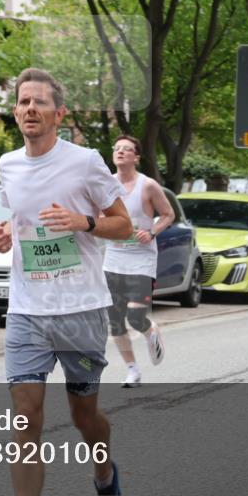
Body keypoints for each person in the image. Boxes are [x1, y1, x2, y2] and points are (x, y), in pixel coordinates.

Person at [0, 68, 133, 496]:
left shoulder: (86, 162)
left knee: (83, 418)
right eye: (23, 102)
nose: (30, 109)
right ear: (15, 112)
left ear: (59, 113)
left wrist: (83, 221)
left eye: (40, 103)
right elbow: (21, 219)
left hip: (81, 310)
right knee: (25, 416)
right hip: (28, 310)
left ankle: (104, 469)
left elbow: (124, 225)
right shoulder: (7, 165)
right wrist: (8, 234)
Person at [104, 134, 175, 387]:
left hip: (141, 260)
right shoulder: (106, 184)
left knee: (135, 318)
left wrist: (152, 231)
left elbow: (168, 214)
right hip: (113, 258)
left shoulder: (148, 186)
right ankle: (132, 370)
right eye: (117, 148)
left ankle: (150, 330)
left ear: (136, 157)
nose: (120, 152)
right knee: (114, 321)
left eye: (126, 149)